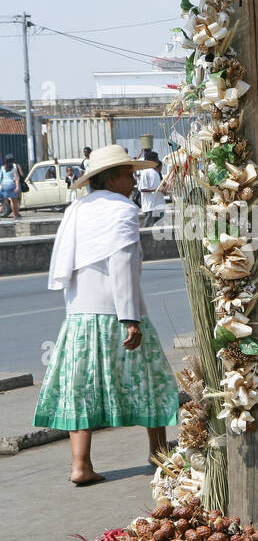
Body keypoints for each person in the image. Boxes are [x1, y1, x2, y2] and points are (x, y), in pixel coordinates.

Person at [34, 145, 178, 485]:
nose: (133, 180)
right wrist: (131, 318)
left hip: (80, 313)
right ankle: (158, 452)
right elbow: (123, 264)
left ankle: (80, 465)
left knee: (80, 387)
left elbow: (64, 263)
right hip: (117, 311)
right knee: (149, 378)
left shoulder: (76, 209)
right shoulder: (124, 210)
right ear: (112, 178)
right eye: (128, 174)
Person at [135, 150, 166, 229]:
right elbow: (142, 188)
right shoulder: (145, 172)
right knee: (149, 229)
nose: (157, 161)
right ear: (152, 160)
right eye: (156, 159)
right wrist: (156, 189)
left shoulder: (156, 172)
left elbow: (159, 187)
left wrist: (163, 190)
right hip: (150, 206)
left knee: (159, 230)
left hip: (159, 205)